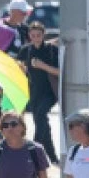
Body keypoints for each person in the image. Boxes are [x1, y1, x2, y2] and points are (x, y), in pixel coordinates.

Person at [17, 21, 61, 164]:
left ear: (43, 35)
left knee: (41, 115)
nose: (36, 38)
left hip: (50, 91)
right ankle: (52, 156)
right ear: (29, 36)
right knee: (41, 122)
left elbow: (59, 72)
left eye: (39, 35)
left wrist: (43, 66)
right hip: (33, 92)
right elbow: (19, 69)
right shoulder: (26, 50)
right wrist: (22, 70)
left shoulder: (51, 50)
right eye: (33, 35)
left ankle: (32, 150)